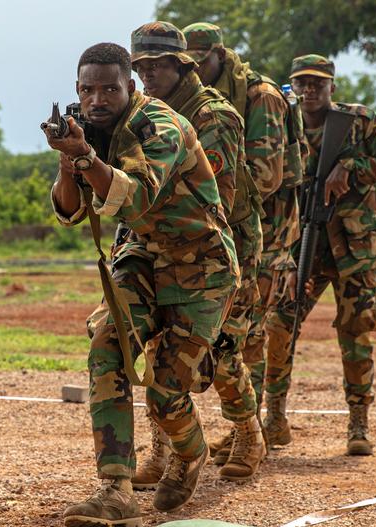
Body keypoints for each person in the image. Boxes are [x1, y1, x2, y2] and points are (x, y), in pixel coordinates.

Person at [44, 42, 239, 527]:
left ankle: (190, 453)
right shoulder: (88, 131)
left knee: (166, 393)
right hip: (143, 257)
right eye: (87, 89)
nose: (97, 99)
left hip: (202, 266)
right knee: (107, 341)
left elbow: (136, 198)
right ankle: (116, 488)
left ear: (130, 87)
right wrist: (72, 161)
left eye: (110, 88)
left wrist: (86, 157)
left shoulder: (160, 125)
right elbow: (69, 211)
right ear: (77, 91)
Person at [128, 22, 266, 485]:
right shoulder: (143, 114)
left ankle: (248, 432)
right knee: (156, 346)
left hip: (220, 247)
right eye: (141, 67)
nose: (148, 75)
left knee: (222, 348)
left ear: (181, 64)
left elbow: (218, 203)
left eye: (158, 65)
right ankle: (163, 448)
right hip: (161, 244)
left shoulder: (214, 116)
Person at [265, 54, 376, 455]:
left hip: (355, 250)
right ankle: (273, 415)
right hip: (304, 246)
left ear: (332, 87)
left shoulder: (359, 122)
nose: (310, 91)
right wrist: (286, 257)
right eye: (301, 84)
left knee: (355, 333)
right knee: (278, 326)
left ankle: (358, 424)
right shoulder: (283, 127)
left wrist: (350, 165)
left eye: (318, 83)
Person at [182, 22, 306, 458]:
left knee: (255, 328)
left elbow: (267, 176)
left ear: (219, 55)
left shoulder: (262, 97)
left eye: (200, 63)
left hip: (266, 232)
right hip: (228, 226)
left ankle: (259, 425)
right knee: (238, 330)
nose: (194, 71)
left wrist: (201, 199)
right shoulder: (197, 99)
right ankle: (249, 427)